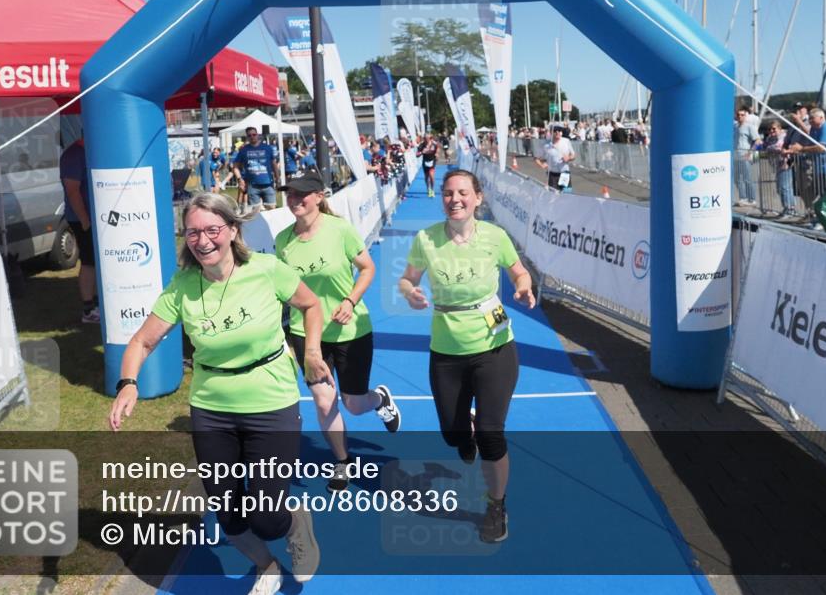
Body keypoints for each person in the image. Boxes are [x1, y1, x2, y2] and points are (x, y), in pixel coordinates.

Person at [109, 192, 325, 593]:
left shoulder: (266, 270)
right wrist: (128, 384)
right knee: (226, 509)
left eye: (212, 229)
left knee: (265, 515)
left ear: (233, 230)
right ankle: (266, 565)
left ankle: (295, 522)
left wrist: (310, 351)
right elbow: (141, 342)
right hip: (212, 407)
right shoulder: (183, 286)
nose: (203, 240)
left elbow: (311, 306)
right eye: (193, 232)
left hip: (271, 401)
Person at [398, 170, 536, 544]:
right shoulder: (427, 239)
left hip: (495, 346)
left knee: (492, 434)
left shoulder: (495, 236)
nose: (454, 199)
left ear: (478, 198)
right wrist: (410, 291)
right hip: (447, 350)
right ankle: (465, 428)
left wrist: (524, 288)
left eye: (462, 192)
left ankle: (496, 505)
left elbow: (519, 272)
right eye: (447, 193)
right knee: (453, 434)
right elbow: (407, 278)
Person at [275, 172, 401, 492]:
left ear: (319, 196)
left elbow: (367, 268)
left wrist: (350, 300)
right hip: (307, 332)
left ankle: (378, 398)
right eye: (289, 195)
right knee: (322, 401)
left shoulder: (340, 230)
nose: (294, 200)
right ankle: (342, 461)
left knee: (353, 404)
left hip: (350, 328)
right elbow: (283, 289)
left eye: (301, 194)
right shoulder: (283, 241)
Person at [59, 137, 98, 324]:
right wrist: (84, 220)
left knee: (98, 261)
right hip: (83, 219)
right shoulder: (73, 155)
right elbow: (72, 190)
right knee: (89, 261)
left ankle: (98, 304)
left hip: (96, 218)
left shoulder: (92, 149)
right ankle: (88, 309)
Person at [790, 107, 826, 228]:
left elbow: (820, 147)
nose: (811, 121)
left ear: (821, 118)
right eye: (810, 119)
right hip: (818, 167)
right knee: (814, 192)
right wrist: (796, 149)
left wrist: (801, 149)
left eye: (813, 118)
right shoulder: (814, 128)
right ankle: (817, 217)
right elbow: (810, 143)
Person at [233, 127, 278, 211]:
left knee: (272, 209)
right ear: (247, 137)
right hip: (252, 186)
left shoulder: (267, 148)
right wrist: (240, 179)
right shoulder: (243, 150)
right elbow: (235, 166)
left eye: (254, 134)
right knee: (255, 213)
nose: (252, 137)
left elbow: (274, 164)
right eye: (249, 135)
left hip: (268, 184)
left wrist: (278, 178)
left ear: (257, 135)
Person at [762, 120, 796, 217]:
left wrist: (770, 148)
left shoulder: (783, 136)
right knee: (780, 188)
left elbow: (779, 147)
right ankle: (787, 207)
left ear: (779, 129)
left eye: (774, 129)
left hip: (785, 164)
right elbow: (765, 147)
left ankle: (790, 209)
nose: (771, 131)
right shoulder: (770, 138)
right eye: (769, 129)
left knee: (785, 187)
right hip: (776, 165)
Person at [733, 105, 761, 206]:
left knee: (747, 178)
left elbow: (758, 141)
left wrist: (750, 152)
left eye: (742, 115)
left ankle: (752, 199)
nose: (740, 116)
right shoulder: (735, 126)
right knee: (737, 178)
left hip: (744, 155)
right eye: (738, 115)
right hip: (735, 156)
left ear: (746, 116)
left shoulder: (749, 126)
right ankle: (743, 198)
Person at [534, 125, 575, 191]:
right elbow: (536, 158)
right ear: (551, 132)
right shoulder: (546, 145)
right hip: (552, 174)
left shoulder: (566, 141)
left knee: (566, 194)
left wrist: (569, 158)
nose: (557, 132)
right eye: (555, 131)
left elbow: (573, 155)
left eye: (559, 131)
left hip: (564, 173)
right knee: (554, 195)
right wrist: (541, 165)